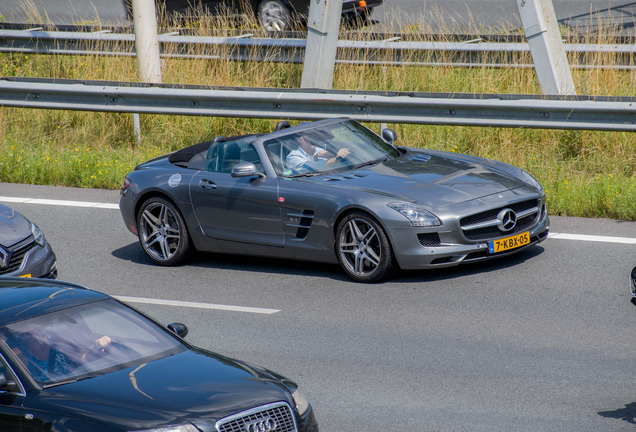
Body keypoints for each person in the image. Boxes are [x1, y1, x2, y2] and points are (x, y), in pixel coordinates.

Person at [11, 329, 112, 382]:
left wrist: (96, 344)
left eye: (37, 333)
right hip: (47, 393)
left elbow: (81, 361)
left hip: (75, 382)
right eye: (28, 334)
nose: (34, 337)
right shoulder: (18, 352)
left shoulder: (56, 344)